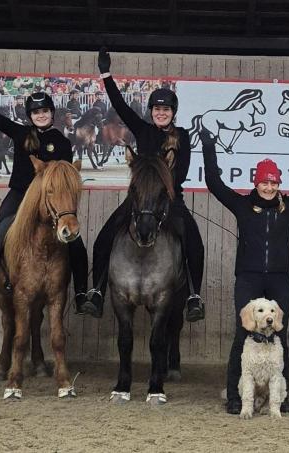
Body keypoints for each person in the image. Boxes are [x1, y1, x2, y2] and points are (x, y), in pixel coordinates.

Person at [199, 128, 289, 415]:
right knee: (243, 334)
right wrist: (209, 146)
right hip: (248, 278)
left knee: (280, 336)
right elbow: (214, 183)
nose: (268, 187)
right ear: (256, 182)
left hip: (279, 280)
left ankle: (282, 396)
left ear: (278, 184)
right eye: (264, 182)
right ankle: (236, 397)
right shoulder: (242, 205)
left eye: (273, 182)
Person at [81, 48, 205, 322]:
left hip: (170, 200)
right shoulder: (143, 130)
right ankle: (98, 290)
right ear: (151, 112)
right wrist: (106, 74)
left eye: (166, 109)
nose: (161, 113)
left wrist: (161, 185)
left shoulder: (183, 136)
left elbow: (181, 173)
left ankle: (193, 296)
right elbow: (121, 106)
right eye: (157, 109)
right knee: (104, 237)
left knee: (193, 241)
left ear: (173, 112)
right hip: (138, 201)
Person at [0, 64, 89, 314]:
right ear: (30, 115)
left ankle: (83, 295)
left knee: (76, 243)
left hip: (48, 201)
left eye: (44, 111)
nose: (40, 115)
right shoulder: (19, 133)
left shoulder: (62, 142)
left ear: (52, 113)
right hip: (20, 194)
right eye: (36, 112)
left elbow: (61, 177)